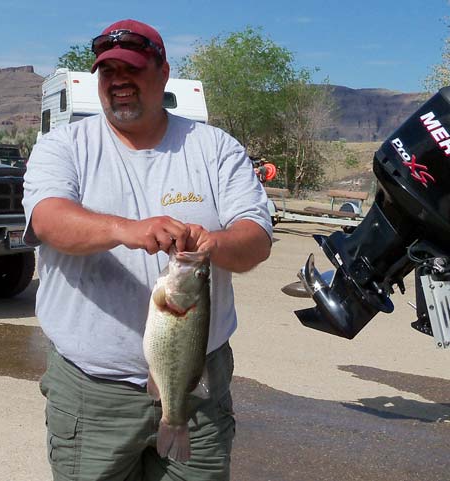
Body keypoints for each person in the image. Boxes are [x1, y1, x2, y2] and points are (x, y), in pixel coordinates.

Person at [22, 18, 272, 481]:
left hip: (197, 391)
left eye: (132, 70)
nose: (119, 81)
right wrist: (127, 229)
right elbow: (49, 220)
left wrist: (214, 244)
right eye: (108, 71)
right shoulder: (64, 147)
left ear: (163, 73)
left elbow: (256, 239)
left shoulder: (215, 149)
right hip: (91, 394)